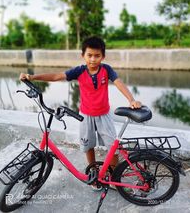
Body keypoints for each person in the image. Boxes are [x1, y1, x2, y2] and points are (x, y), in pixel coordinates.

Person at [19, 36, 141, 190]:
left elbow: (119, 83)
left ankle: (113, 176)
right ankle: (93, 172)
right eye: (89, 55)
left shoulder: (106, 69)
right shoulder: (79, 71)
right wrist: (32, 77)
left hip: (104, 115)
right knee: (87, 145)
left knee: (113, 148)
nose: (93, 59)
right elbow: (57, 76)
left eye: (97, 56)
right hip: (85, 116)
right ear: (83, 55)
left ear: (103, 56)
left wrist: (131, 100)